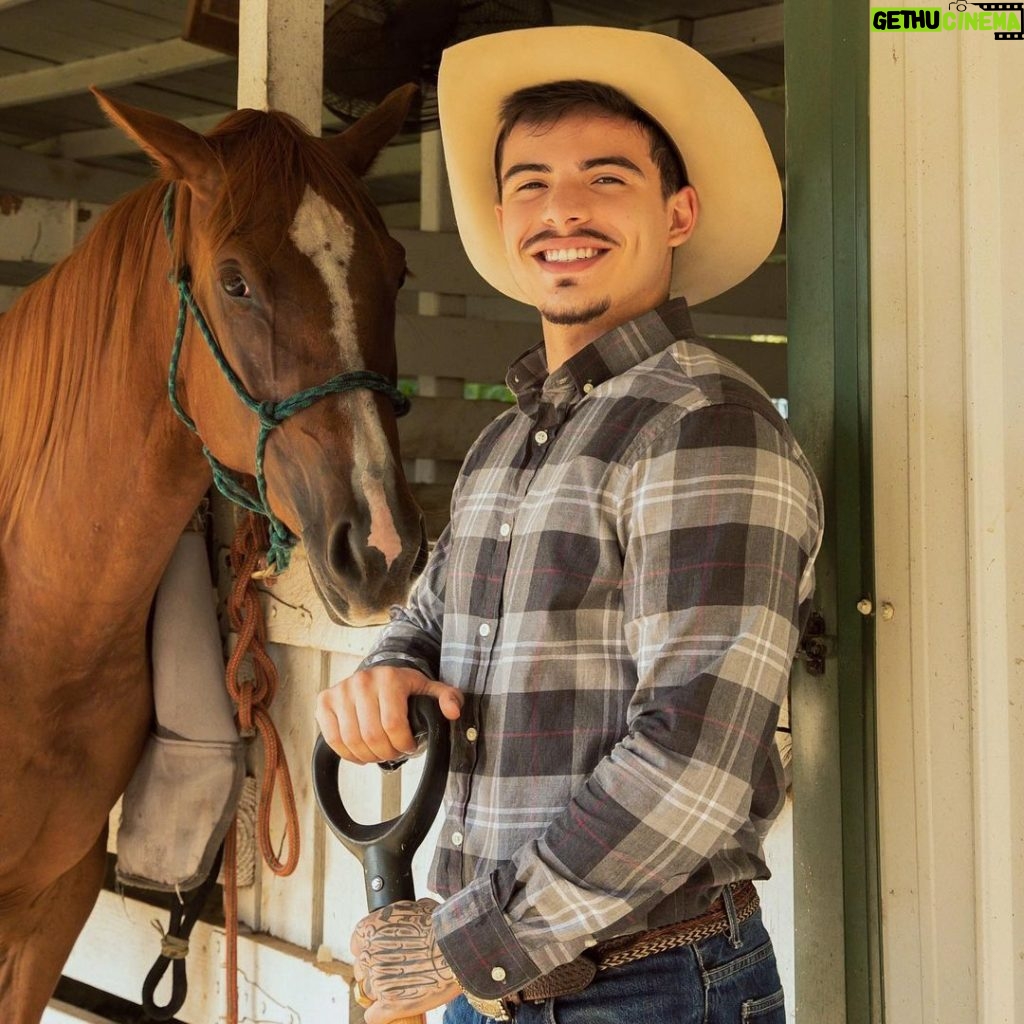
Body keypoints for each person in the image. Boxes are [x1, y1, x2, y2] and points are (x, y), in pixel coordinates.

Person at [316, 24, 823, 1024]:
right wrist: (386, 672)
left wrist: (462, 948)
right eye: (530, 184)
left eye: (605, 178)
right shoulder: (510, 442)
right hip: (497, 982)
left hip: (647, 985)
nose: (563, 212)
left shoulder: (705, 425)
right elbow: (432, 617)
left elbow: (693, 758)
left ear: (677, 212)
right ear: (504, 216)